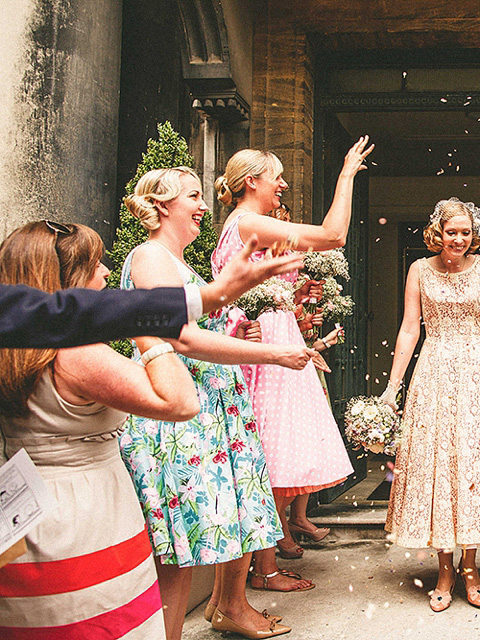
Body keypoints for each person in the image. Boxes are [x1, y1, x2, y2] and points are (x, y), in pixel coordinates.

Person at [122, 167, 315, 639]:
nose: (205, 206)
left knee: (211, 528)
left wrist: (232, 329)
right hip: (180, 420)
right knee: (178, 547)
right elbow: (179, 341)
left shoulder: (178, 262)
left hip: (212, 412)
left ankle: (230, 606)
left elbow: (199, 331)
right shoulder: (149, 257)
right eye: (193, 196)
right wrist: (272, 353)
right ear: (163, 205)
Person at [0, 221, 199, 639]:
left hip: (22, 513)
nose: (108, 273)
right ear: (67, 283)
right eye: (95, 264)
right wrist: (144, 326)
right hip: (82, 519)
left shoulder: (14, 345)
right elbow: (180, 401)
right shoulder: (75, 352)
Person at [212, 140, 371, 587]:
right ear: (251, 182)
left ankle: (267, 561)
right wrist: (345, 176)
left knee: (273, 458)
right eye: (275, 176)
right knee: (266, 457)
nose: (283, 184)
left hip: (277, 339)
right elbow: (333, 235)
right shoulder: (248, 223)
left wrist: (297, 301)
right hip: (264, 352)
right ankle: (262, 571)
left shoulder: (247, 225)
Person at [383, 197, 480, 612]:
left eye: (466, 232)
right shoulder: (418, 270)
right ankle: (444, 569)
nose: (460, 239)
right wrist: (392, 386)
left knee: (472, 466)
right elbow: (409, 329)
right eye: (452, 232)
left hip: (476, 373)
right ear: (438, 233)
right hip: (432, 372)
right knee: (438, 467)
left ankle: (470, 567)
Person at [0, 229, 303, 349]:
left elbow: (68, 312)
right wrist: (215, 294)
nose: (107, 271)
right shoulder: (149, 255)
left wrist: (212, 297)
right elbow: (178, 401)